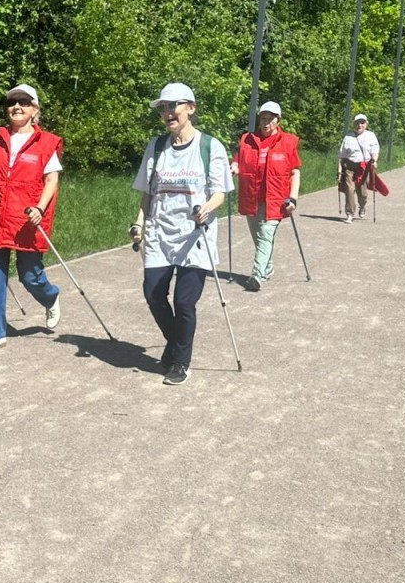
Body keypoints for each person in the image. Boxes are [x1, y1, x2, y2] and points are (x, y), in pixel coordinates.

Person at [129, 82, 231, 385]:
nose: (167, 112)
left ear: (191, 108)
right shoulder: (157, 146)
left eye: (173, 106)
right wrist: (139, 223)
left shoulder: (210, 146)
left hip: (194, 237)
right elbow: (147, 193)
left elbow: (220, 193)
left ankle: (181, 361)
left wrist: (206, 208)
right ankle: (175, 343)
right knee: (153, 294)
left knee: (185, 303)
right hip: (160, 234)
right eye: (163, 107)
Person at [0, 84, 63, 352]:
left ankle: (51, 297)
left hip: (26, 220)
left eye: (23, 102)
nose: (16, 107)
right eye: (12, 102)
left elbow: (52, 179)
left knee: (30, 276)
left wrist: (40, 208)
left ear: (34, 109)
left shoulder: (46, 143)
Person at [230, 100, 301, 292]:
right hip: (251, 198)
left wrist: (293, 198)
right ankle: (267, 267)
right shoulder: (247, 139)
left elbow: (295, 172)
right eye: (263, 118)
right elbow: (238, 160)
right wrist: (234, 167)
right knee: (259, 237)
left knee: (264, 236)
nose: (266, 122)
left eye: (271, 119)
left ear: (278, 120)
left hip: (276, 200)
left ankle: (257, 275)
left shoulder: (288, 142)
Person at [337, 113, 380, 224]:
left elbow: (375, 150)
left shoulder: (370, 135)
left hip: (363, 168)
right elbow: (342, 156)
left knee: (362, 193)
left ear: (366, 124)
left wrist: (374, 161)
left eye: (362, 123)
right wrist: (339, 171)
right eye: (357, 123)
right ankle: (350, 214)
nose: (360, 125)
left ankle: (362, 206)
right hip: (349, 167)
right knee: (349, 190)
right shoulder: (348, 137)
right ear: (354, 124)